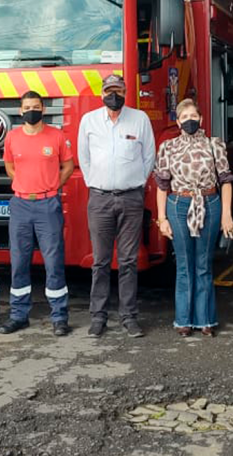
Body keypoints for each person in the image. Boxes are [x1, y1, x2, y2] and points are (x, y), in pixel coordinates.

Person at [77, 74, 155, 338]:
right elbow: (83, 158)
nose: (115, 95)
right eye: (110, 91)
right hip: (99, 199)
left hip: (131, 198)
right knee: (100, 261)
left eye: (119, 91)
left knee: (128, 261)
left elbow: (149, 157)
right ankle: (98, 317)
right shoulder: (88, 121)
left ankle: (129, 317)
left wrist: (134, 183)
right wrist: (95, 183)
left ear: (125, 92)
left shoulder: (140, 119)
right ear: (102, 94)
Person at [153, 99, 233, 337]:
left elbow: (226, 181)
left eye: (193, 115)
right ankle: (183, 320)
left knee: (203, 264)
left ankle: (206, 319)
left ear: (200, 119)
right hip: (178, 205)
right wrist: (161, 218)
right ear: (177, 121)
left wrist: (227, 215)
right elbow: (162, 185)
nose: (189, 120)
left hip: (209, 203)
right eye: (184, 116)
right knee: (183, 264)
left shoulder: (214, 145)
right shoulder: (167, 147)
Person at [0, 91, 75, 336]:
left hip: (47, 204)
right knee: (19, 261)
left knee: (53, 262)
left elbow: (68, 166)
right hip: (21, 204)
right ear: (20, 111)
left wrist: (52, 186)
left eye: (35, 106)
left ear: (42, 109)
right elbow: (10, 167)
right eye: (27, 107)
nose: (31, 110)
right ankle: (19, 315)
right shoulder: (12, 137)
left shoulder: (56, 136)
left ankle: (59, 317)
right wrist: (24, 183)